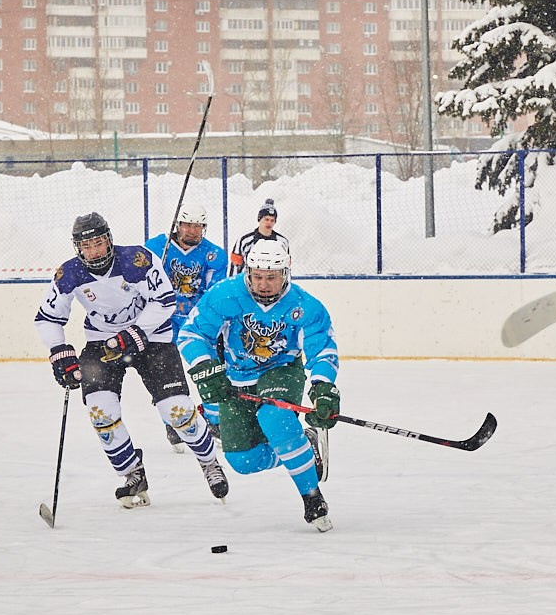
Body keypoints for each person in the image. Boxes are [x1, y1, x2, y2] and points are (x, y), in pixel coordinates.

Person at [36, 212, 229, 509]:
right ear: (78, 248)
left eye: (99, 243)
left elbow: (165, 301)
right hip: (102, 340)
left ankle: (209, 462)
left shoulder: (137, 260)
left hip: (153, 338)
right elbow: (48, 318)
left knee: (176, 412)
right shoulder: (69, 273)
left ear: (109, 240)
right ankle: (131, 473)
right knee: (101, 411)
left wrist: (138, 331)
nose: (94, 251)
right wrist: (59, 352)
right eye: (86, 246)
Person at [182, 237, 340, 531]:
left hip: (281, 370)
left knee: (275, 416)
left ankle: (312, 496)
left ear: (285, 274)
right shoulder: (225, 295)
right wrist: (205, 367)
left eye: (271, 277)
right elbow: (192, 334)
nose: (264, 284)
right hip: (236, 377)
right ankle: (303, 444)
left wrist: (322, 387)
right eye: (257, 277)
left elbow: (323, 350)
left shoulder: (306, 306)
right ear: (248, 273)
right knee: (243, 461)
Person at [149, 202, 230, 451]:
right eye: (188, 225)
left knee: (209, 372)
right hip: (163, 323)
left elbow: (211, 295)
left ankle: (214, 423)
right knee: (166, 377)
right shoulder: (154, 249)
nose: (193, 231)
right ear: (178, 225)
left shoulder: (214, 254)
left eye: (198, 226)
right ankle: (173, 423)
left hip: (196, 324)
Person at [231, 198, 288, 273]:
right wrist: (233, 284)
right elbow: (235, 266)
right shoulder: (244, 241)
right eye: (266, 219)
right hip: (247, 281)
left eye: (272, 220)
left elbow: (286, 267)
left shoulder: (282, 242)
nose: (269, 223)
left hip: (273, 281)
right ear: (259, 219)